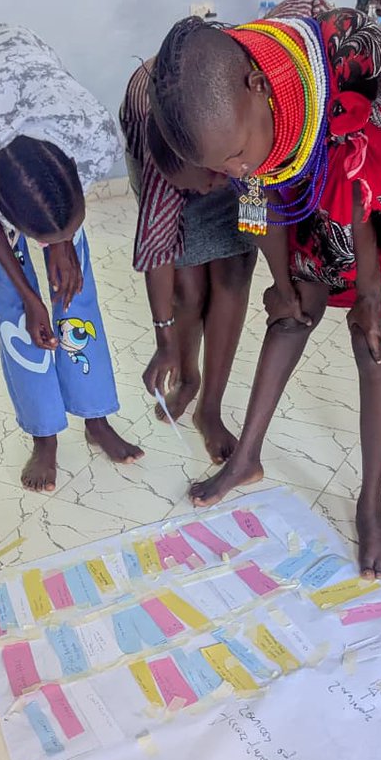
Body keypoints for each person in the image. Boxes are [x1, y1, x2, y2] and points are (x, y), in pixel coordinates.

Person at [147, 4, 381, 578]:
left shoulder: (354, 55)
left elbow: (368, 184)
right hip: (311, 183)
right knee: (291, 314)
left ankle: (371, 504)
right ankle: (246, 458)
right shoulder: (233, 121)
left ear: (258, 87)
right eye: (218, 166)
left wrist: (372, 292)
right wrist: (283, 283)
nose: (230, 169)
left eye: (232, 156)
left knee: (377, 341)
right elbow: (259, 192)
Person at [0, 24, 142, 494]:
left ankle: (95, 418)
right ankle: (43, 433)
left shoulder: (89, 130)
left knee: (74, 289)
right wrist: (29, 296)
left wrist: (63, 244)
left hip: (33, 74)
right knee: (16, 312)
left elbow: (62, 207)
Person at [121, 58, 257, 465]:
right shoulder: (161, 169)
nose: (208, 191)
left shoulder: (251, 142)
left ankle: (209, 407)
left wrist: (284, 279)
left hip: (230, 138)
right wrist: (163, 342)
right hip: (172, 138)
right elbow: (159, 249)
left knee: (234, 274)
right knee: (187, 287)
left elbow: (258, 215)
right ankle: (187, 373)